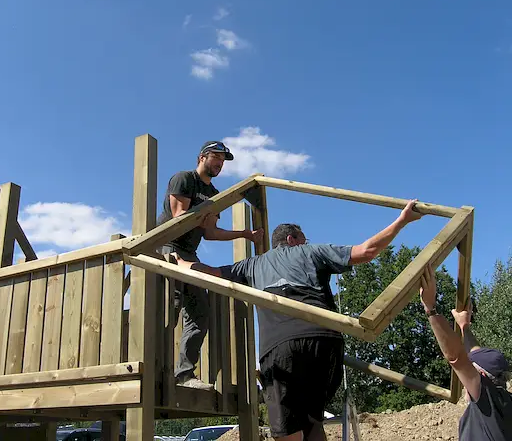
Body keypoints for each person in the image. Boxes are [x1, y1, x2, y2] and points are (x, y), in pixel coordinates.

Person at [175, 200, 424, 440]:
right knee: (313, 422)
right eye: (304, 238)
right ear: (292, 240)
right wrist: (402, 221)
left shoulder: (252, 265)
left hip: (281, 347)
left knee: (287, 430)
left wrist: (180, 262)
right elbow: (366, 251)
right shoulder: (313, 252)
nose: (306, 242)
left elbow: (211, 273)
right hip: (325, 342)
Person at [156, 140, 264, 390]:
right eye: (216, 157)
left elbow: (211, 233)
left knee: (200, 312)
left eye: (223, 160)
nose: (220, 163)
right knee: (169, 308)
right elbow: (178, 218)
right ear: (202, 157)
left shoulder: (215, 194)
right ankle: (156, 369)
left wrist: (244, 234)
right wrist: (201, 217)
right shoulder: (184, 179)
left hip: (189, 254)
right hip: (166, 248)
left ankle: (184, 374)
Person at [419, 264, 512, 440]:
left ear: (482, 375)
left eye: (471, 367)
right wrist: (464, 327)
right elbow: (475, 352)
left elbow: (456, 357)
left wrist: (430, 309)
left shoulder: (486, 400)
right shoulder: (504, 403)